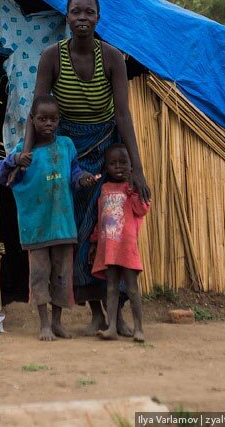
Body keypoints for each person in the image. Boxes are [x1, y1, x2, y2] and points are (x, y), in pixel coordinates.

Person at [19, 0, 151, 336]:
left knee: (112, 229)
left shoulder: (112, 59)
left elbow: (123, 113)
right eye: (75, 11)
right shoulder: (52, 57)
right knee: (78, 234)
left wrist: (135, 168)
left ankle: (116, 312)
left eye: (88, 12)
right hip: (68, 153)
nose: (82, 18)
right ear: (66, 17)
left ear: (98, 18)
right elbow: (36, 111)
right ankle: (95, 310)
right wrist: (29, 156)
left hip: (106, 147)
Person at [0, 95, 98, 341]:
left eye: (53, 119)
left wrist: (82, 178)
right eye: (42, 119)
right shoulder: (24, 152)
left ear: (59, 120)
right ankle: (43, 325)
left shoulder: (66, 145)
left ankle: (57, 323)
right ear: (33, 120)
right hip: (37, 226)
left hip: (62, 225)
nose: (48, 124)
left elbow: (73, 171)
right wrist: (14, 160)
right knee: (40, 276)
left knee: (62, 275)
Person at [90, 144, 150, 342]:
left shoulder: (132, 188)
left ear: (132, 165)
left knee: (132, 289)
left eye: (123, 163)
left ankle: (139, 328)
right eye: (113, 163)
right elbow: (101, 219)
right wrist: (94, 241)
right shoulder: (105, 189)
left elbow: (142, 209)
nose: (118, 167)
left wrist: (134, 189)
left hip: (126, 248)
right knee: (111, 288)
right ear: (106, 167)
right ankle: (112, 327)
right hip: (108, 249)